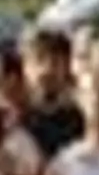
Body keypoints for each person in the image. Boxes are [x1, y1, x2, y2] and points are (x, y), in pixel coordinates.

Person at [18, 26, 85, 159]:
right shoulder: (15, 118)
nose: (46, 69)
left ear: (67, 68)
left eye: (55, 62)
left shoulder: (81, 118)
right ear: (25, 66)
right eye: (39, 59)